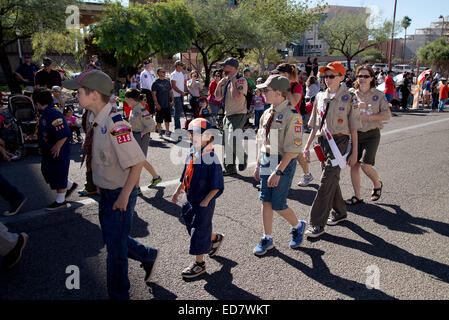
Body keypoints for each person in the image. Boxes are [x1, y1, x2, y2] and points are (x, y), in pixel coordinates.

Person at [63, 69, 159, 300]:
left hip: (118, 193)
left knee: (115, 252)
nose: (76, 95)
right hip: (106, 192)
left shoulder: (116, 124)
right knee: (113, 239)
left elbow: (137, 163)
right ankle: (147, 255)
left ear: (94, 94)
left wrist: (124, 196)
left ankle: (119, 294)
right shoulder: (95, 119)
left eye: (79, 91)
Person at [302, 61, 361, 238]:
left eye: (331, 76)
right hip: (323, 142)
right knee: (331, 179)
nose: (327, 79)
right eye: (325, 76)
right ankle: (340, 212)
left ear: (342, 77)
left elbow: (354, 127)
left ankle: (316, 223)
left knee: (326, 181)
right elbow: (315, 125)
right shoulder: (319, 96)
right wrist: (306, 147)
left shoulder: (349, 97)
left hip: (340, 142)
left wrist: (355, 151)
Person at [252, 75, 307, 255]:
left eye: (266, 90)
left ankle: (298, 225)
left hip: (283, 162)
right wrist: (259, 164)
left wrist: (278, 171)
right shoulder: (267, 113)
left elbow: (293, 149)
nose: (262, 93)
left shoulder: (293, 116)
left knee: (278, 204)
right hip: (268, 159)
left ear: (278, 93)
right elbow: (264, 141)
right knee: (265, 200)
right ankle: (267, 238)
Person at [171, 118, 225, 278]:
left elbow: (217, 185)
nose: (191, 137)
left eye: (195, 134)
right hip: (190, 198)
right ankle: (214, 239)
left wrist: (206, 201)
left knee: (198, 230)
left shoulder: (212, 158)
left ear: (208, 136)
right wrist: (178, 190)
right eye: (190, 134)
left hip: (203, 201)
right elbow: (185, 173)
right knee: (190, 224)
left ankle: (199, 264)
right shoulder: (192, 151)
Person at [345, 66, 390, 205]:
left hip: (372, 134)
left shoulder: (378, 94)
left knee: (366, 165)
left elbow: (387, 115)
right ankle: (357, 196)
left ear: (371, 78)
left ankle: (377, 184)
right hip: (355, 134)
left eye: (366, 76)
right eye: (360, 76)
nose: (362, 79)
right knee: (354, 164)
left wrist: (368, 116)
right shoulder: (350, 94)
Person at [33, 88, 78, 210]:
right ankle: (69, 185)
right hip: (49, 148)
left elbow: (63, 133)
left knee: (58, 172)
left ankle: (60, 200)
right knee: (48, 171)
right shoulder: (46, 113)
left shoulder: (53, 113)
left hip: (58, 149)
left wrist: (57, 146)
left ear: (38, 103)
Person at [275, 63, 314, 187]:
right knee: (280, 149)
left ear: (286, 74)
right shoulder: (278, 85)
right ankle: (275, 176)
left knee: (294, 151)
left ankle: (306, 174)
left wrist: (285, 88)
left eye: (278, 73)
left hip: (294, 121)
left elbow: (293, 102)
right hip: (281, 120)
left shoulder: (296, 86)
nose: (276, 75)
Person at [214, 57, 248, 176]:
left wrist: (233, 81)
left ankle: (243, 157)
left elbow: (236, 97)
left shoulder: (241, 80)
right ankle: (230, 169)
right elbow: (217, 97)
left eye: (225, 66)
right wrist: (219, 84)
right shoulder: (226, 81)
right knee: (226, 143)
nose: (223, 68)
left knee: (232, 139)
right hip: (227, 115)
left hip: (239, 114)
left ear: (232, 68)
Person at [125, 88, 162, 193]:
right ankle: (155, 177)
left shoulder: (141, 110)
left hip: (140, 136)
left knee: (137, 162)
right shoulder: (134, 108)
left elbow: (151, 125)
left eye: (127, 99)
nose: (125, 101)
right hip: (135, 136)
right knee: (139, 161)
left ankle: (136, 188)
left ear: (132, 99)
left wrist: (142, 134)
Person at [152, 68, 175, 138]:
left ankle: (167, 132)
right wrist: (156, 104)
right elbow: (153, 94)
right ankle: (160, 133)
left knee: (167, 119)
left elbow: (171, 92)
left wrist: (173, 101)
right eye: (162, 72)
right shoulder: (155, 83)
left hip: (167, 104)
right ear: (158, 73)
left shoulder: (167, 82)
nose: (164, 73)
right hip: (160, 105)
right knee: (159, 120)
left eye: (164, 72)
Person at [170, 60, 188, 132]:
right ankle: (177, 129)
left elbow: (182, 84)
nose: (182, 67)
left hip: (181, 95)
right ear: (177, 66)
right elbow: (173, 86)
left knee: (180, 112)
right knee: (177, 113)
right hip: (176, 96)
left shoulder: (181, 73)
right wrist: (181, 92)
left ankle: (179, 128)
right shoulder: (174, 74)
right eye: (181, 65)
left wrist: (186, 91)